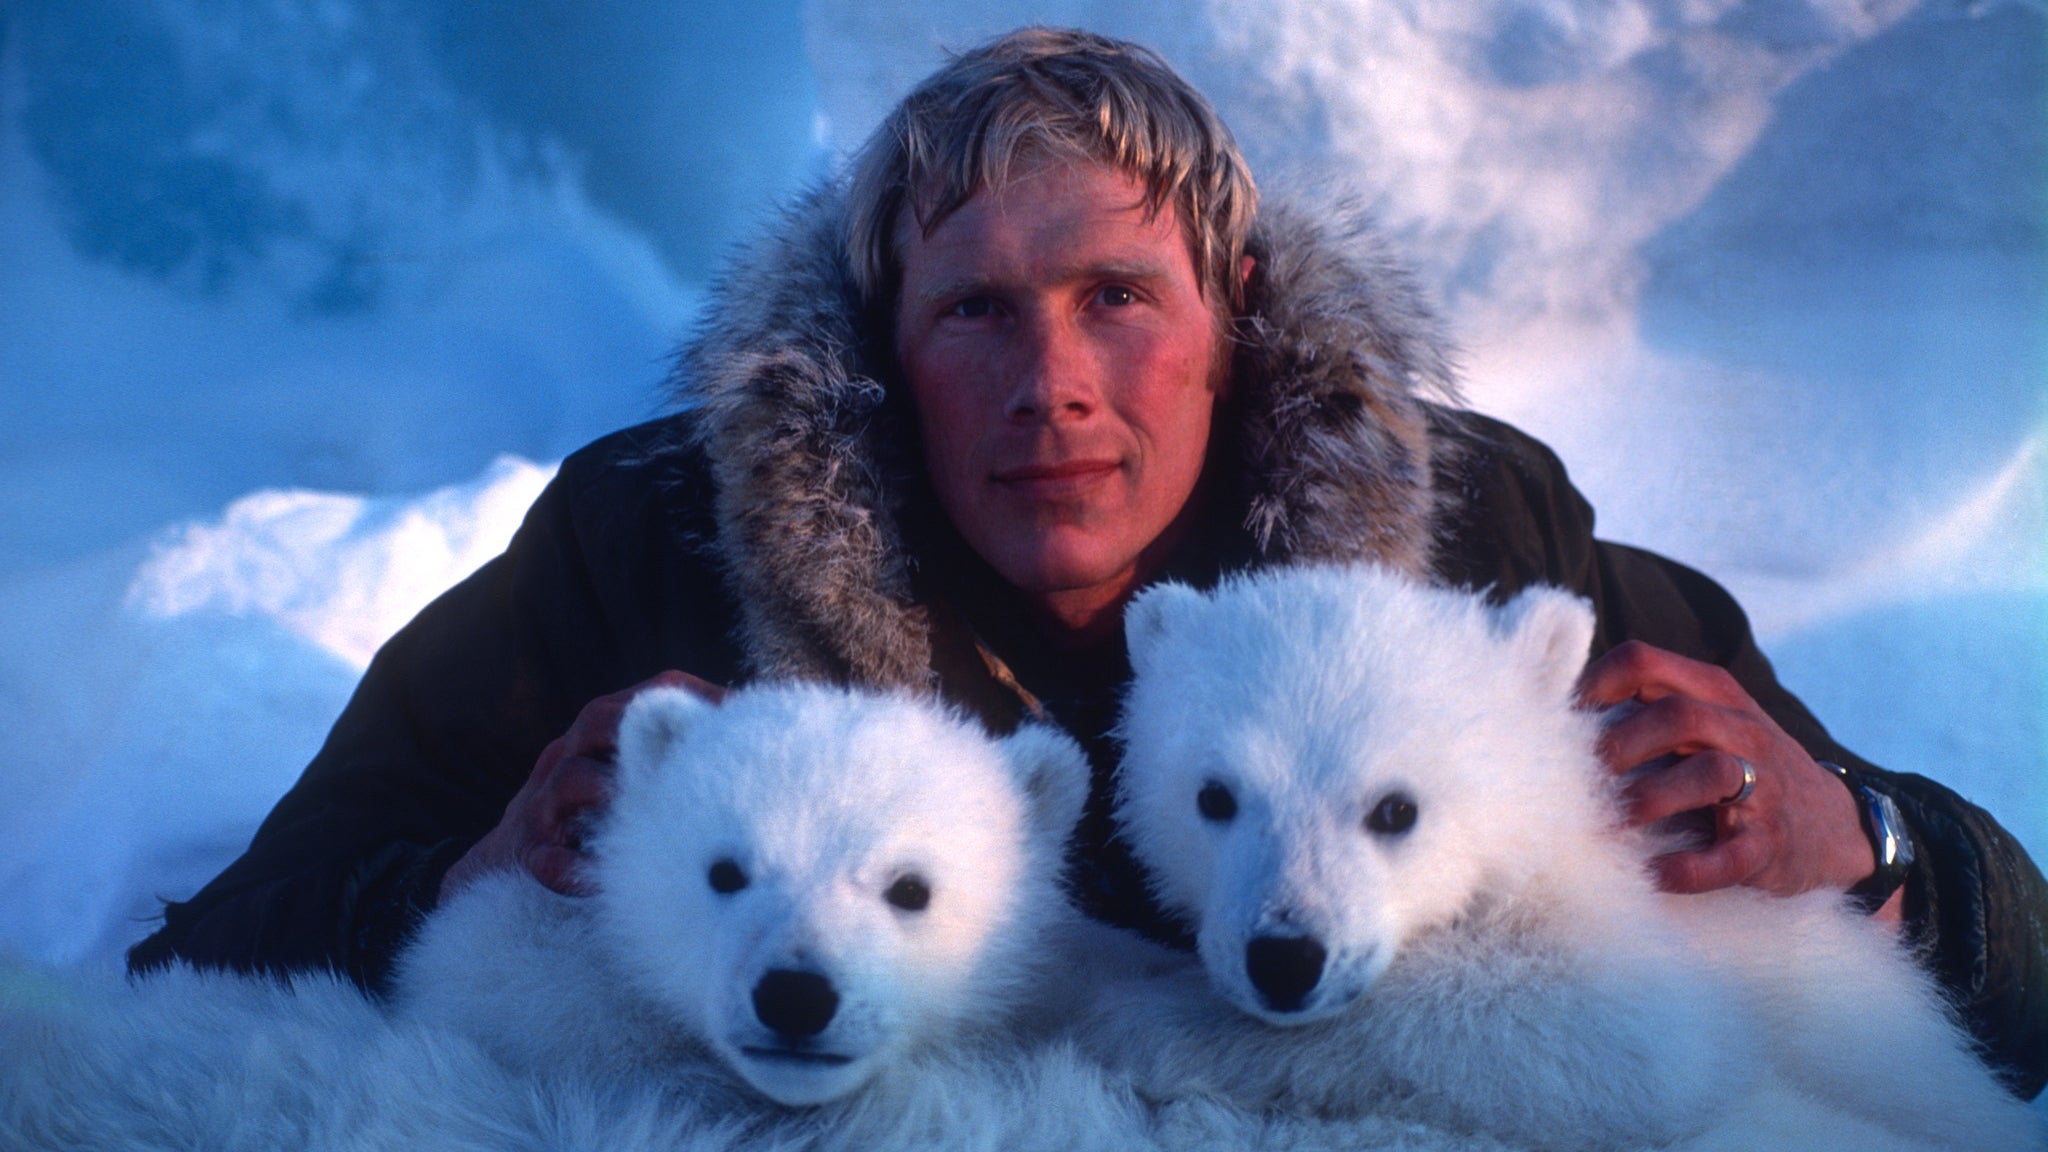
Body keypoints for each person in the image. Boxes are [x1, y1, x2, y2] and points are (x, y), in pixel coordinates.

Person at [129, 26, 2048, 1096]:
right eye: (974, 312)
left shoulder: (1473, 552)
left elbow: (2016, 995)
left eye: (1118, 295)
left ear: (1233, 319)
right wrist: (465, 878)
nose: (1053, 385)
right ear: (884, 349)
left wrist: (1873, 853)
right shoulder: (649, 551)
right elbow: (213, 945)